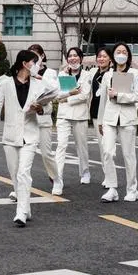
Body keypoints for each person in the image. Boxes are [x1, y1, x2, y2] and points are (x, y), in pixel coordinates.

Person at [0, 49, 56, 226]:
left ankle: (20, 212)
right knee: (15, 175)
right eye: (34, 62)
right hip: (11, 136)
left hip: (30, 134)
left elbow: (51, 100)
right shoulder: (5, 83)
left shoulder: (39, 84)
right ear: (24, 63)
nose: (38, 66)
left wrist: (40, 108)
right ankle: (25, 207)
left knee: (23, 173)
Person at [97, 42, 138, 202]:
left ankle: (132, 189)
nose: (121, 54)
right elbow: (103, 99)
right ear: (113, 56)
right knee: (107, 152)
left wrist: (119, 95)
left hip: (127, 118)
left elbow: (137, 96)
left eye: (124, 52)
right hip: (109, 118)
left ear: (128, 56)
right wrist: (100, 120)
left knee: (128, 155)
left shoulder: (134, 73)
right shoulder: (108, 75)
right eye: (118, 51)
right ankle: (112, 188)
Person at [53, 47, 93, 195]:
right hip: (63, 115)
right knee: (61, 146)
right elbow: (58, 95)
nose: (73, 58)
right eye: (70, 56)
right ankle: (58, 180)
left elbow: (84, 95)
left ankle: (85, 172)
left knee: (81, 146)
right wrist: (71, 92)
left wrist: (67, 99)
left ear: (81, 58)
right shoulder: (63, 74)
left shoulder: (87, 75)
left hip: (80, 115)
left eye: (76, 55)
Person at [27, 43, 60, 189]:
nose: (34, 58)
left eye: (37, 55)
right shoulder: (25, 72)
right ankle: (20, 186)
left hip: (43, 119)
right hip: (27, 119)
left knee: (46, 153)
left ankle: (56, 179)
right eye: (31, 55)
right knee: (25, 154)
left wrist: (39, 77)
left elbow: (54, 91)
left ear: (42, 56)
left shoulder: (50, 73)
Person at [87, 47, 113, 187]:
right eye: (99, 56)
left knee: (107, 148)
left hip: (109, 114)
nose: (101, 59)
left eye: (104, 56)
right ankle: (107, 176)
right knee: (102, 147)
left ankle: (110, 177)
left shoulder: (113, 73)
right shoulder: (92, 72)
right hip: (96, 113)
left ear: (110, 59)